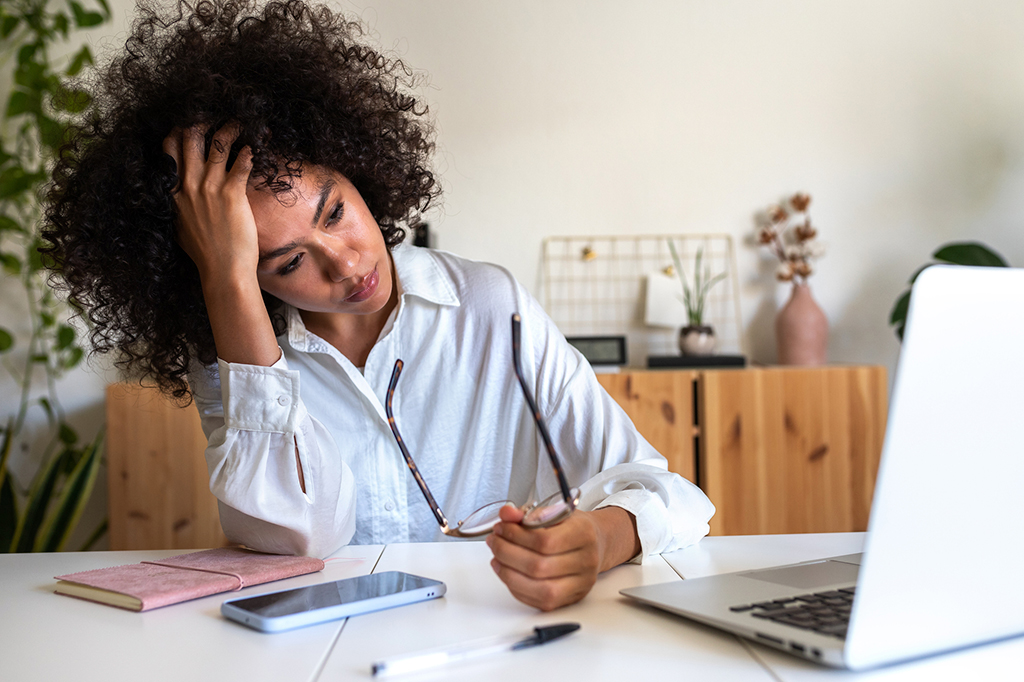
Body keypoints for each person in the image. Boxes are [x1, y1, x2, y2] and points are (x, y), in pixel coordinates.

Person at [43, 0, 714, 611]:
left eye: (334, 211)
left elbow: (668, 495)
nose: (346, 261)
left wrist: (600, 538)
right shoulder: (237, 348)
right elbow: (301, 536)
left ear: (356, 166)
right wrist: (227, 282)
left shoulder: (486, 307)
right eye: (287, 261)